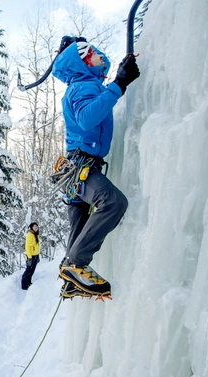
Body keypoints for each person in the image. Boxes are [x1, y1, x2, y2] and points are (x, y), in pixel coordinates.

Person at [51, 37, 140, 297]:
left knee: (78, 230)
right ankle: (76, 265)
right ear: (83, 61)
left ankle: (70, 280)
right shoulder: (83, 85)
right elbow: (88, 118)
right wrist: (119, 84)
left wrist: (118, 78)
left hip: (76, 172)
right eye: (91, 52)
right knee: (114, 202)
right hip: (82, 168)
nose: (99, 53)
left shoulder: (86, 84)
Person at [21, 222, 40, 290]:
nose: (36, 227)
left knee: (32, 271)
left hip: (36, 255)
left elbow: (37, 246)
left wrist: (38, 255)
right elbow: (27, 247)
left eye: (36, 226)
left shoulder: (36, 235)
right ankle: (24, 285)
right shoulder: (30, 235)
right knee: (28, 270)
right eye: (34, 226)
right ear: (31, 227)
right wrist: (29, 257)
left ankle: (29, 282)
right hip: (31, 256)